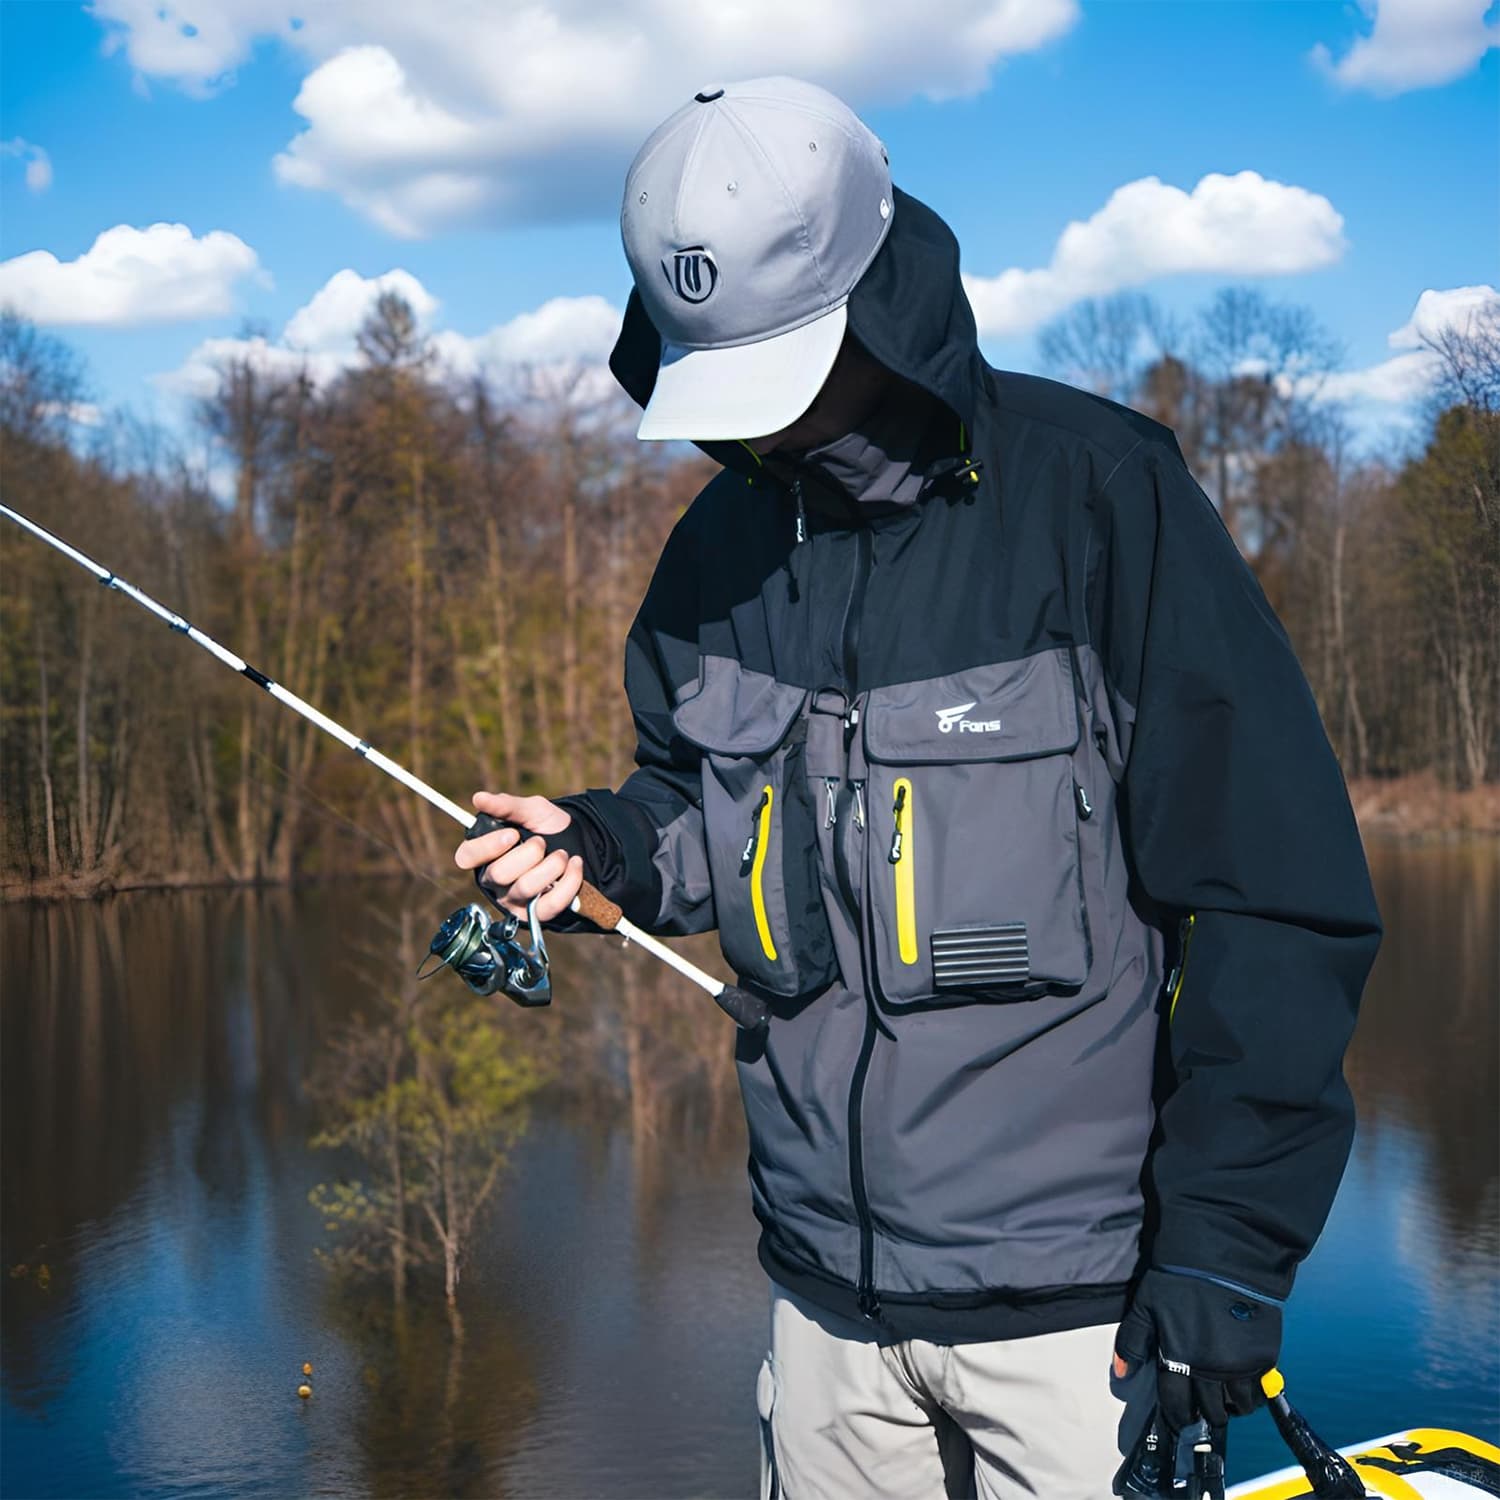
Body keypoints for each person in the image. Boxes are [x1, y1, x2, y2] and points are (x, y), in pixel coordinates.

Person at [455, 77, 1381, 1499]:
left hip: (1087, 1329)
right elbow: (702, 809)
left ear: (879, 301)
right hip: (822, 1311)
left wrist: (1223, 1251)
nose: (755, 433)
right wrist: (597, 850)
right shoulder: (715, 554)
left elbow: (1273, 899)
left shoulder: (1100, 498)